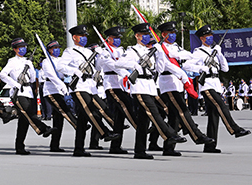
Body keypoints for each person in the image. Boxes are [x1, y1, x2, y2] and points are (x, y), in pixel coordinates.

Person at [114, 23, 187, 159]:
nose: (147, 37)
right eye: (144, 35)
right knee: (154, 112)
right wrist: (134, 65)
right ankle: (170, 135)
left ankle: (140, 151)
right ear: (137, 36)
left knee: (143, 121)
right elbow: (118, 63)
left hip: (150, 86)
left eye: (148, 35)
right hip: (139, 87)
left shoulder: (151, 51)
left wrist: (159, 55)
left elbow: (158, 70)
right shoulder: (132, 51)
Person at [182, 25, 251, 153]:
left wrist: (219, 54)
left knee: (214, 116)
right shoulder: (198, 52)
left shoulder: (215, 51)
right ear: (202, 38)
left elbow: (225, 68)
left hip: (216, 84)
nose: (210, 38)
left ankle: (210, 146)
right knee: (222, 106)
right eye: (207, 36)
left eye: (211, 36)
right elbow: (186, 65)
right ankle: (234, 129)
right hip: (207, 85)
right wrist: (201, 69)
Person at [57, 25, 119, 157]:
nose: (84, 38)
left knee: (84, 119)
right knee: (90, 111)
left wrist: (102, 56)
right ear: (74, 37)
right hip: (79, 87)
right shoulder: (70, 51)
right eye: (81, 36)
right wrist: (74, 71)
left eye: (85, 36)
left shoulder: (89, 52)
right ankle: (104, 132)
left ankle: (78, 148)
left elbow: (97, 67)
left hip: (91, 87)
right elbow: (60, 66)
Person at [156, 21, 215, 156]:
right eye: (170, 33)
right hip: (168, 83)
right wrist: (179, 71)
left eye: (174, 33)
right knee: (183, 110)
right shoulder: (160, 48)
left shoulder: (176, 47)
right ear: (163, 35)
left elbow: (189, 56)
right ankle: (197, 136)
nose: (173, 35)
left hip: (178, 84)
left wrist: (177, 56)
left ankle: (169, 148)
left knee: (174, 117)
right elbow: (163, 67)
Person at [0, 38, 57, 155]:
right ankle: (44, 129)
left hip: (28, 91)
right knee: (29, 114)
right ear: (15, 49)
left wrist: (30, 67)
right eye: (21, 47)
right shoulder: (12, 61)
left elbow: (31, 79)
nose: (23, 49)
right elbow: (2, 75)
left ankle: (19, 146)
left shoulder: (28, 61)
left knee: (24, 121)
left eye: (24, 47)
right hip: (18, 93)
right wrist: (15, 84)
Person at [97, 26, 137, 154]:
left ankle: (115, 146)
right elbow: (112, 66)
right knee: (127, 106)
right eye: (115, 38)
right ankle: (139, 125)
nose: (117, 40)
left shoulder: (121, 51)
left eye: (119, 38)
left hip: (122, 84)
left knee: (119, 117)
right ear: (108, 39)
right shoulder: (105, 52)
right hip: (112, 84)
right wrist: (126, 72)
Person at [41, 40, 79, 152]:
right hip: (51, 89)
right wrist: (60, 84)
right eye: (54, 48)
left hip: (61, 88)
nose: (57, 50)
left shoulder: (61, 60)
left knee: (58, 119)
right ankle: (76, 124)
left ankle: (54, 145)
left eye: (58, 48)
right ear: (49, 50)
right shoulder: (46, 61)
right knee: (64, 109)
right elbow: (51, 75)